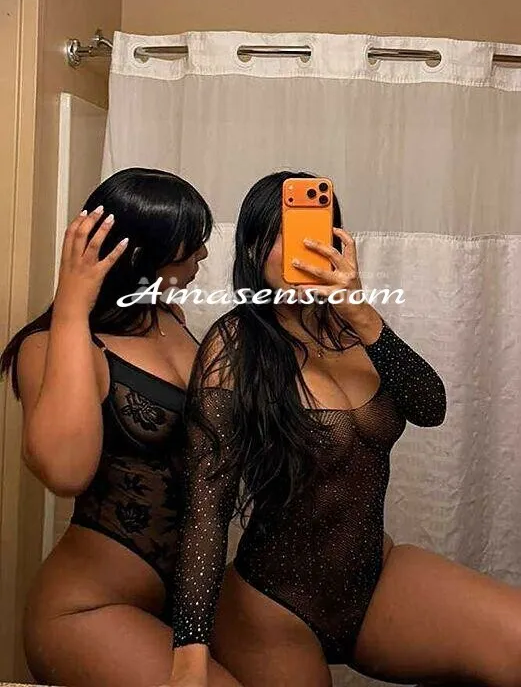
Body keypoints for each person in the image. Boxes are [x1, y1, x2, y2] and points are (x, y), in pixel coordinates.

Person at [168, 170, 521, 687]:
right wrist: (189, 655)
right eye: (282, 234)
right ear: (252, 248)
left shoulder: (355, 327)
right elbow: (207, 508)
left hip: (373, 580)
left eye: (313, 230)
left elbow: (431, 407)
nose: (303, 246)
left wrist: (360, 311)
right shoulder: (234, 346)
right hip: (273, 603)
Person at [0, 167, 242, 687]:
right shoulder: (50, 346)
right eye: (189, 247)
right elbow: (65, 472)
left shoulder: (170, 322)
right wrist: (72, 305)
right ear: (139, 256)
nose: (202, 256)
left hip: (184, 611)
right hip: (87, 609)